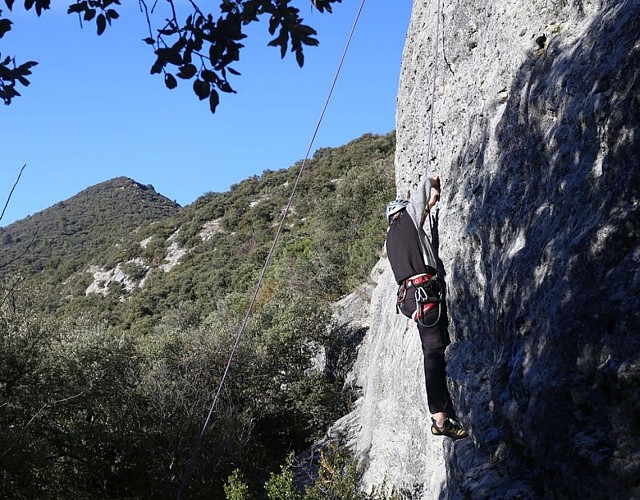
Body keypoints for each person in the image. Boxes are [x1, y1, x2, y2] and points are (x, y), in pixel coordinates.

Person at [385, 175, 468, 440]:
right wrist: (435, 180)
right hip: (423, 294)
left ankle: (442, 411)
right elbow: (424, 188)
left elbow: (425, 210)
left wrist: (432, 202)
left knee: (433, 349)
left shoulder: (392, 238)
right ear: (402, 214)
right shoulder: (406, 221)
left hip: (412, 297)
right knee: (433, 352)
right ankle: (440, 419)